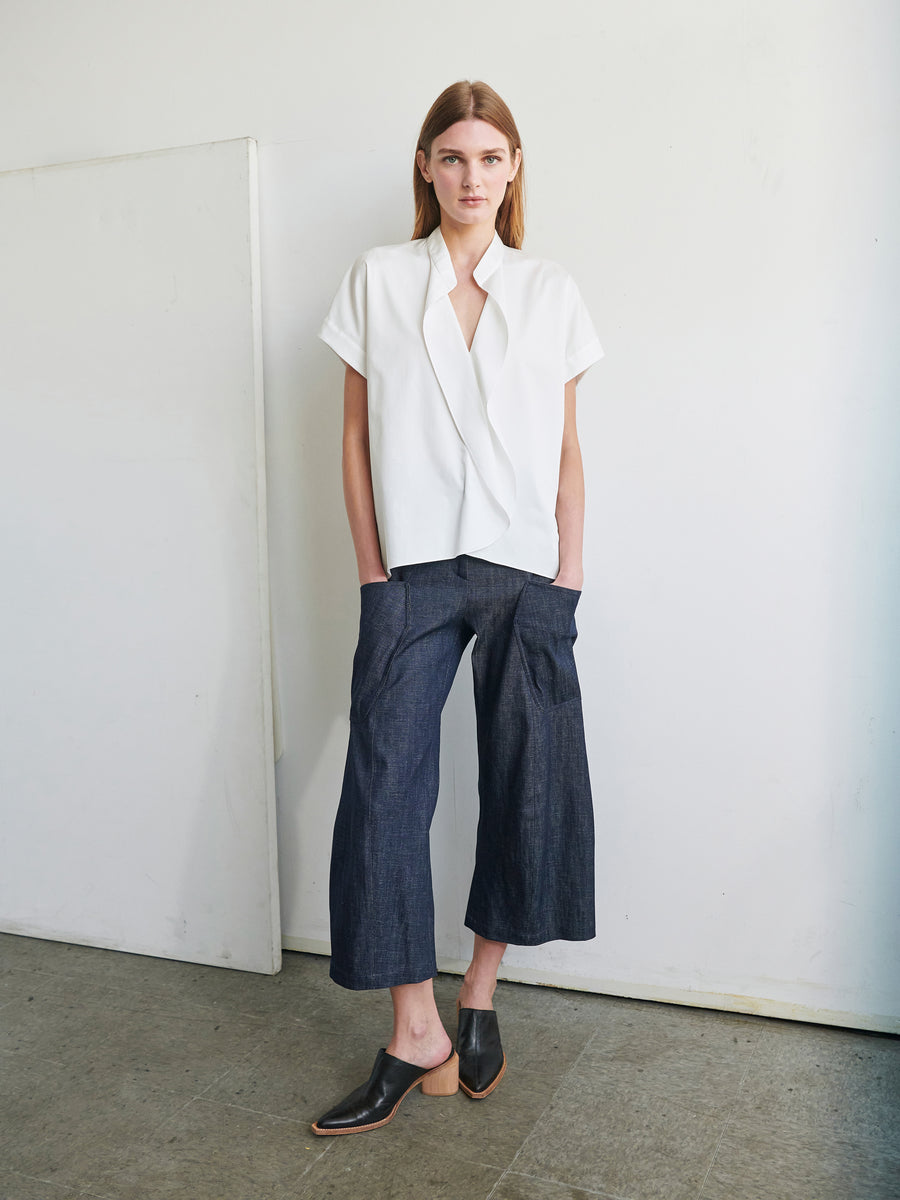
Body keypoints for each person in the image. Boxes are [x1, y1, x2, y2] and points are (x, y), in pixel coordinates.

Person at [312, 80, 603, 1136]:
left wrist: (569, 575)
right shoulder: (380, 281)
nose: (472, 176)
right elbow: (352, 437)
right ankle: (413, 1029)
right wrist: (372, 570)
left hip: (527, 570)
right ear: (426, 169)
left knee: (528, 782)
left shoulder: (553, 290)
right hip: (412, 572)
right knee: (383, 787)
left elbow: (568, 448)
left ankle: (479, 993)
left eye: (490, 157)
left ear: (513, 169)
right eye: (452, 156)